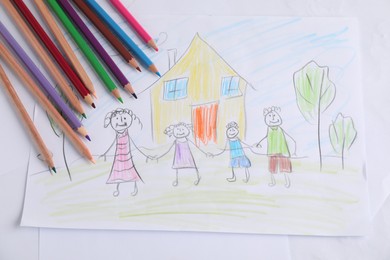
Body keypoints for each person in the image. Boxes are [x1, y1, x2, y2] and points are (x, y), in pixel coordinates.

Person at [101, 108, 150, 196]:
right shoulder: (117, 133)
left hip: (127, 155)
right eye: (117, 119)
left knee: (130, 168)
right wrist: (105, 153)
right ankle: (117, 188)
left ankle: (134, 186)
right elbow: (114, 143)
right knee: (118, 170)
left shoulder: (126, 132)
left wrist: (144, 154)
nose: (121, 121)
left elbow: (133, 143)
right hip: (119, 156)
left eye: (124, 119)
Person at [155, 122, 207, 186]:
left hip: (188, 156)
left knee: (193, 166)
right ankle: (177, 180)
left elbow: (196, 146)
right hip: (178, 157)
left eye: (182, 130)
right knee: (177, 168)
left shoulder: (187, 139)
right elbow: (168, 150)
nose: (180, 132)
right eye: (178, 130)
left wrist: (205, 153)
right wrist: (159, 157)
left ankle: (198, 177)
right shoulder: (176, 141)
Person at [257, 107, 296, 188]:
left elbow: (288, 136)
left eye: (274, 116)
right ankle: (273, 181)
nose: (273, 118)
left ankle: (287, 181)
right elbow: (266, 136)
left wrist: (294, 145)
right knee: (272, 168)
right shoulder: (269, 129)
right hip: (272, 152)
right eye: (270, 116)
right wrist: (259, 143)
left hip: (283, 151)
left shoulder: (280, 129)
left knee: (285, 168)